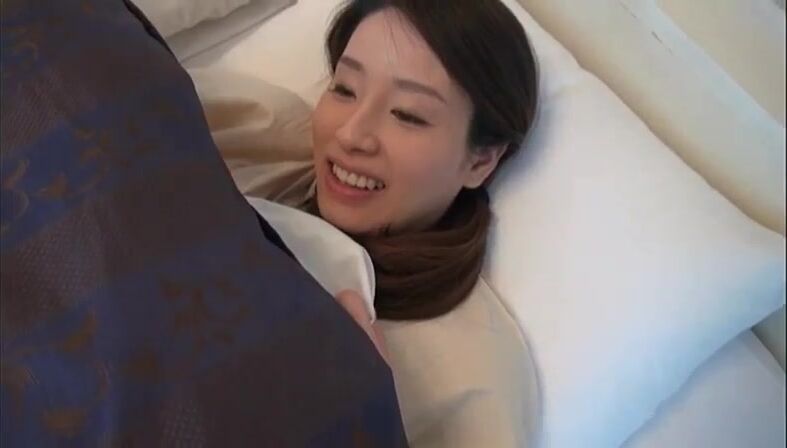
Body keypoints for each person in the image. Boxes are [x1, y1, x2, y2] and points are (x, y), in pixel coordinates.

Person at [196, 0, 541, 445]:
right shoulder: (258, 131)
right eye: (344, 89)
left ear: (481, 160)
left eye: (408, 115)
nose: (350, 134)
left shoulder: (472, 385)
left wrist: (363, 419)